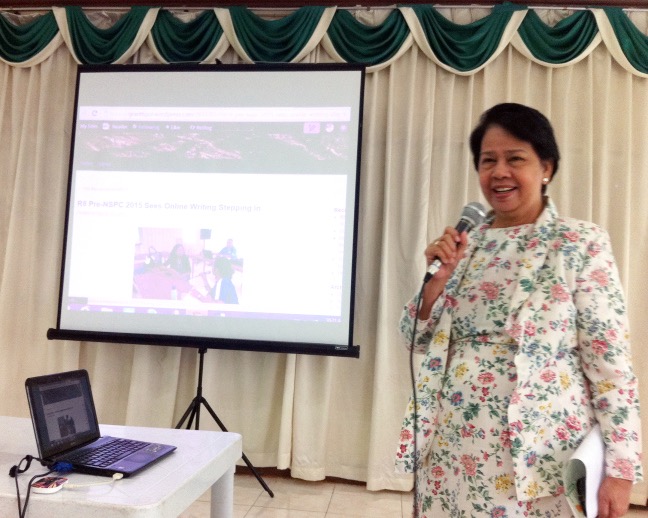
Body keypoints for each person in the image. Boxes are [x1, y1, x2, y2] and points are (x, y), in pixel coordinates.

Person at [396, 103, 643, 518]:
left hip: (541, 456)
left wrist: (621, 470)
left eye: (515, 159)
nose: (499, 172)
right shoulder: (465, 246)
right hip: (454, 451)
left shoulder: (579, 243)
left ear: (546, 167)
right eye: (488, 161)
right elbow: (415, 340)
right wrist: (436, 282)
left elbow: (610, 365)